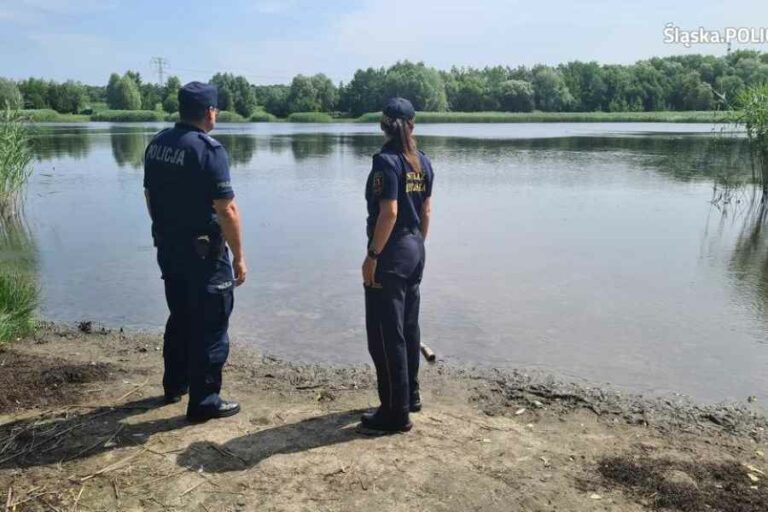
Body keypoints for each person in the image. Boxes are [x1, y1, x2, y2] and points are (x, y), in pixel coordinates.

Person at [143, 82, 247, 423]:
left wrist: (163, 230)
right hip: (204, 253)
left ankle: (175, 384)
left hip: (169, 247)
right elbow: (226, 209)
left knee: (181, 315)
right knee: (212, 324)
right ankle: (204, 402)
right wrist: (240, 256)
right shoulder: (208, 150)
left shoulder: (157, 144)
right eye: (215, 110)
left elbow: (149, 195)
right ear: (210, 112)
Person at [361, 97, 434, 433]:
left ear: (382, 124)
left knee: (385, 334)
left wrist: (373, 256)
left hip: (390, 253)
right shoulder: (423, 162)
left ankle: (394, 412)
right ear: (413, 125)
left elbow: (388, 212)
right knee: (408, 326)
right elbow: (427, 212)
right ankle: (411, 395)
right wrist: (416, 245)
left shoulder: (386, 162)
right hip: (415, 248)